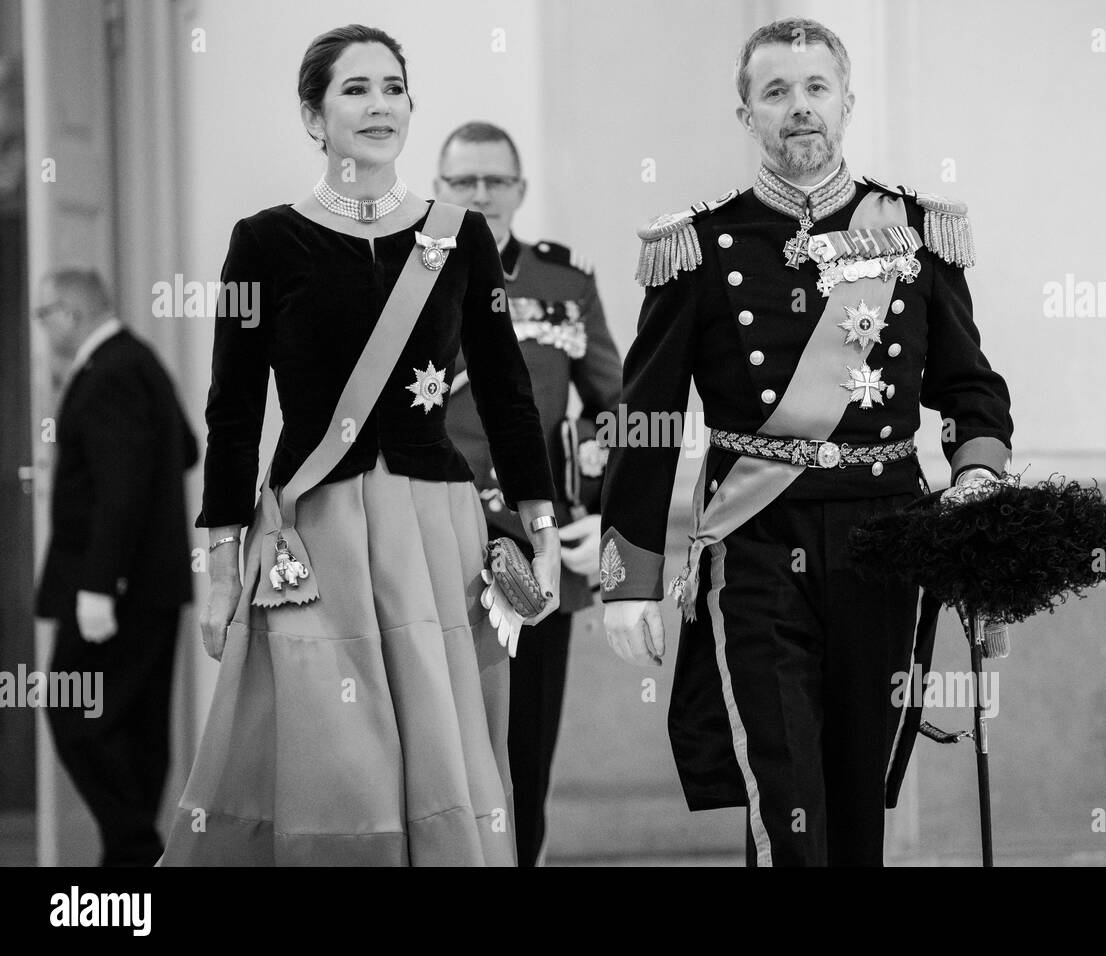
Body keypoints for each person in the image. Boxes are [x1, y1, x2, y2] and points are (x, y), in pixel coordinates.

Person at [600, 17, 1013, 866]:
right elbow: (646, 419)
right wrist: (630, 575)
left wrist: (977, 495)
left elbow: (973, 393)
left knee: (859, 790)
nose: (798, 108)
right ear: (745, 112)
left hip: (888, 539)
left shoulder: (917, 236)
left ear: (847, 101)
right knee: (780, 782)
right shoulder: (699, 248)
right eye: (776, 91)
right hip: (755, 545)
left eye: (815, 88)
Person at [158, 24, 560, 867]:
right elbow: (232, 412)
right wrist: (220, 565)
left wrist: (541, 528)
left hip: (434, 528)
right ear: (314, 116)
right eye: (354, 89)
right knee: (336, 754)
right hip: (315, 530)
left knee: (440, 750)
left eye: (392, 87)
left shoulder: (461, 235)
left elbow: (506, 392)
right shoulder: (262, 241)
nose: (379, 104)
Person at [436, 121, 623, 866]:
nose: (480, 194)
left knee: (525, 744)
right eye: (463, 182)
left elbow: (617, 409)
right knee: (439, 742)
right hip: (433, 534)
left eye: (495, 180)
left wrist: (606, 504)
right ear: (439, 188)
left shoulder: (563, 285)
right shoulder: (407, 279)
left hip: (535, 543)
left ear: (520, 189)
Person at [33, 268, 198, 866]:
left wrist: (99, 585)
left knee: (75, 714)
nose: (41, 329)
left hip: (113, 591)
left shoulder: (108, 374)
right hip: (153, 587)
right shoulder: (140, 361)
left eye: (42, 314)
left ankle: (137, 852)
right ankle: (129, 864)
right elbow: (185, 447)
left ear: (70, 314)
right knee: (134, 727)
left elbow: (120, 487)